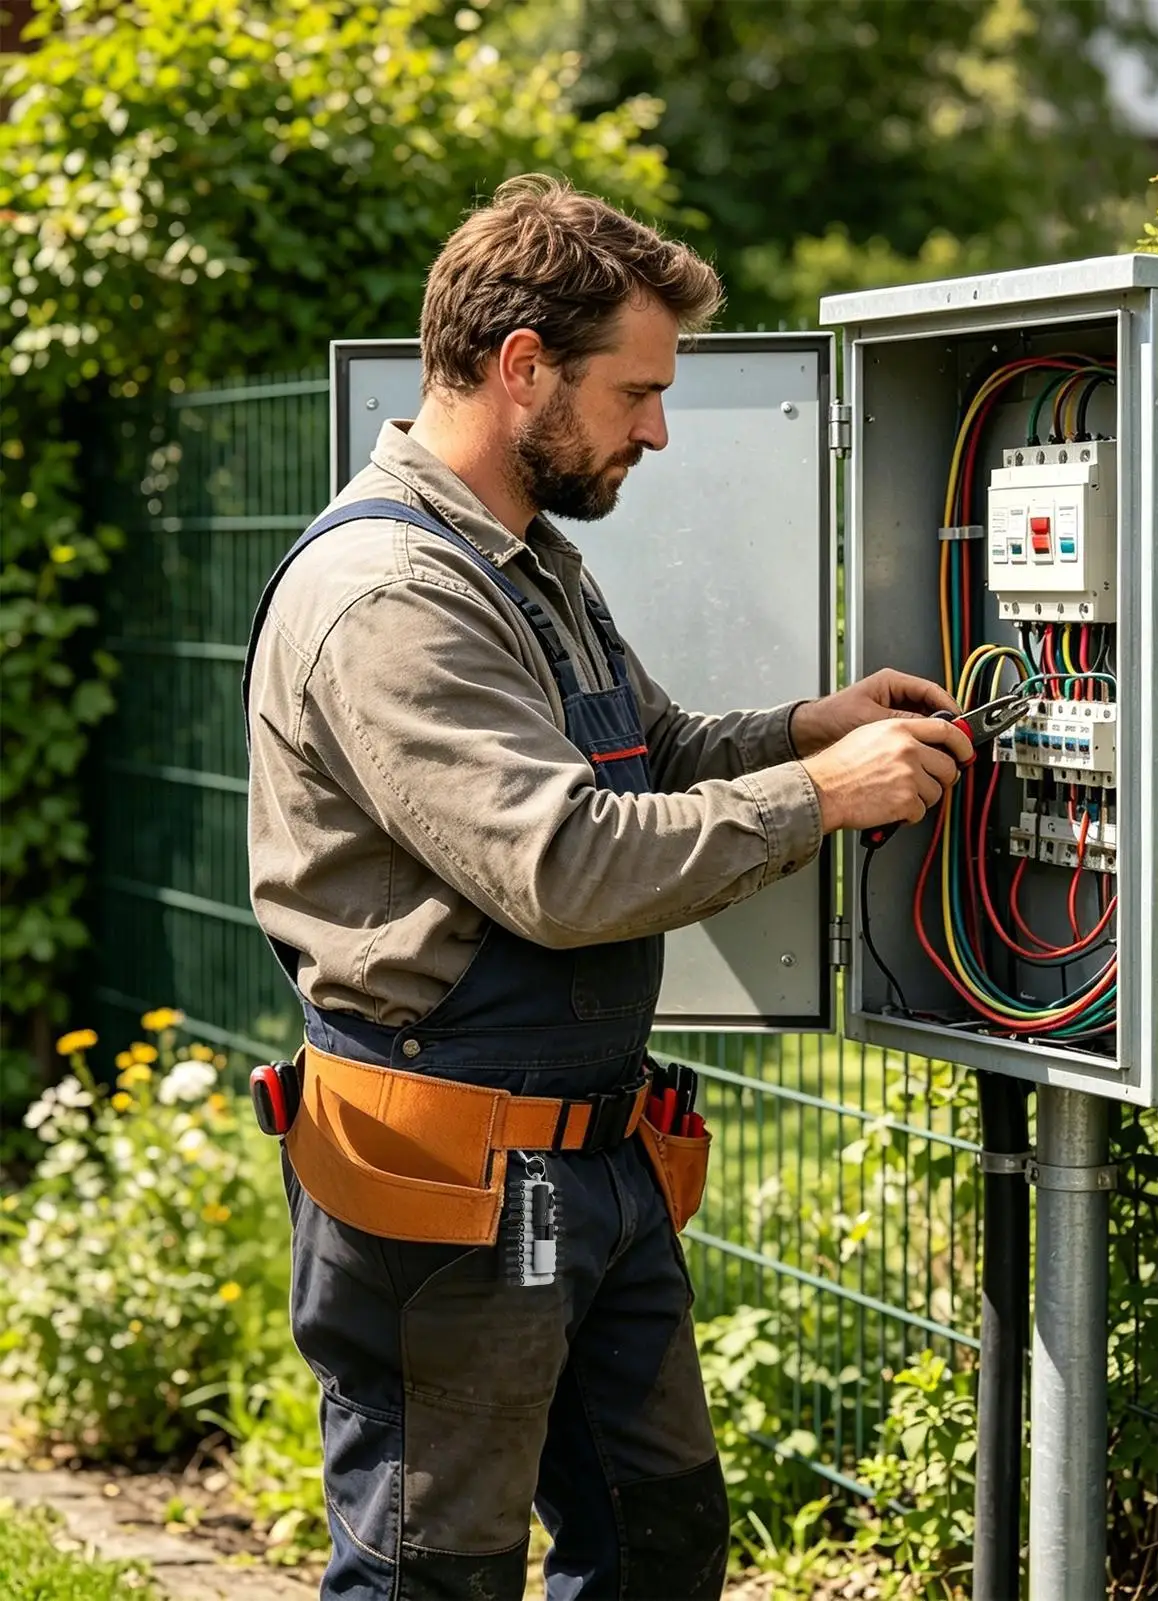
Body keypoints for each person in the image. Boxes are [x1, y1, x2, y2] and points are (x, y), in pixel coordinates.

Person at [244, 173, 973, 1601]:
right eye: (635, 389)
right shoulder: (393, 593)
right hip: (450, 1173)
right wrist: (826, 795)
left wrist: (801, 731)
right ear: (524, 369)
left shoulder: (526, 566)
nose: (655, 426)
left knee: (658, 1537)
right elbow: (566, 862)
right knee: (431, 1572)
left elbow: (650, 754)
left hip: (594, 1158)